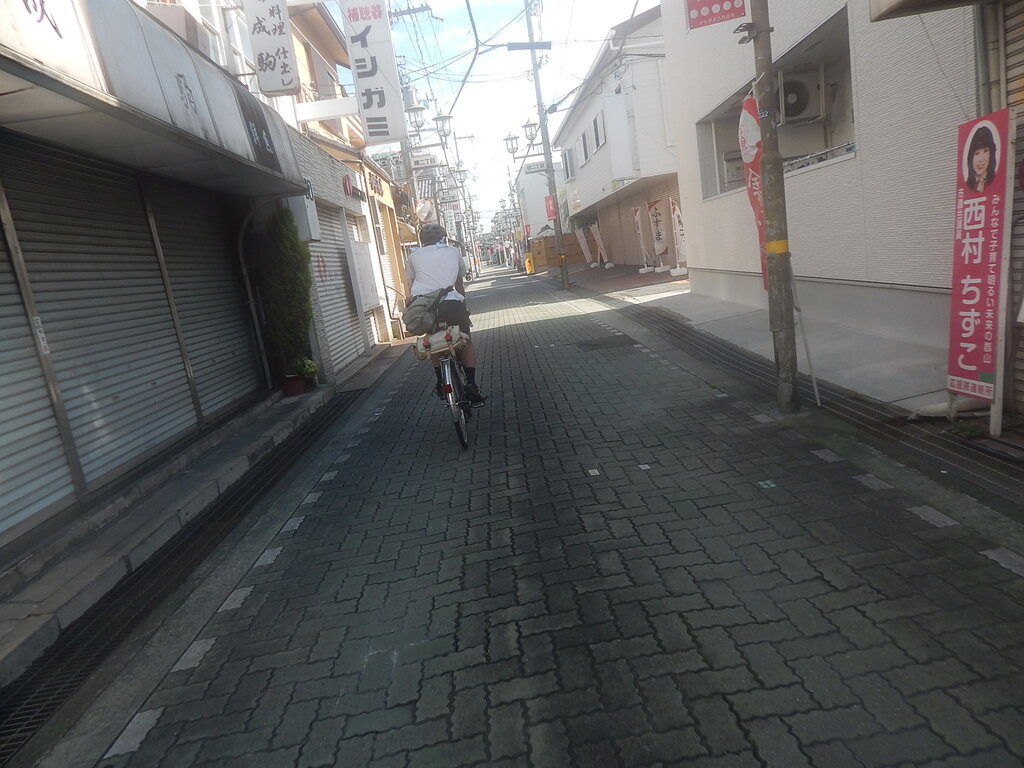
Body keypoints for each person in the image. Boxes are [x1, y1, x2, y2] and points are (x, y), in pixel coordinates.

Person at [405, 223, 485, 404]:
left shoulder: (413, 256)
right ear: (443, 238)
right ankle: (471, 384)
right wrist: (462, 302)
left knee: (432, 340)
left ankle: (441, 382)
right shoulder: (453, 252)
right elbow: (459, 284)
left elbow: (410, 287)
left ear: (422, 241)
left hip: (425, 307)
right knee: (465, 339)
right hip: (451, 303)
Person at [965, 126, 997, 193]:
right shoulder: (966, 187)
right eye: (977, 153)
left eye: (985, 151)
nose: (981, 159)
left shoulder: (996, 182)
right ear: (970, 157)